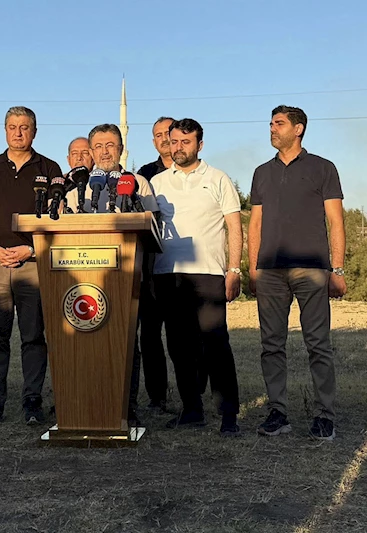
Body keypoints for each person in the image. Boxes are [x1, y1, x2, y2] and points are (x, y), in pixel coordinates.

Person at [248, 105, 346, 441]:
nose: (272, 128)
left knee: (318, 344)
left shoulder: (323, 168)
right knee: (271, 345)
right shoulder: (262, 172)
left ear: (298, 128)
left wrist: (337, 269)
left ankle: (325, 415)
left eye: (279, 123)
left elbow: (336, 222)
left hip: (312, 268)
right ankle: (278, 412)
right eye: (270, 123)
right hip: (270, 270)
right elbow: (255, 224)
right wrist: (253, 268)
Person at [0, 106, 63, 425]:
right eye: (12, 126)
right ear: (5, 130)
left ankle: (32, 401)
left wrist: (29, 249)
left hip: (32, 264)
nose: (18, 132)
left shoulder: (49, 167)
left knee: (33, 335)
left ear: (34, 131)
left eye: (24, 127)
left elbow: (55, 219)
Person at [63, 124, 159, 426]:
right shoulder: (78, 189)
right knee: (85, 344)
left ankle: (125, 407)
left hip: (128, 278)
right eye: (99, 146)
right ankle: (83, 403)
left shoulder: (138, 183)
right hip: (85, 283)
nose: (105, 152)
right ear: (91, 152)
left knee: (126, 343)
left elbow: (152, 227)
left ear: (121, 149)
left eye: (111, 145)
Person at [151, 119, 242, 435]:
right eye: (174, 141)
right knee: (178, 346)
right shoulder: (157, 183)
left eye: (185, 142)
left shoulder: (218, 179)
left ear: (199, 145)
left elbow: (234, 226)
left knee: (215, 344)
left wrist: (234, 269)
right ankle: (192, 410)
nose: (178, 147)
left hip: (208, 274)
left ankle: (228, 415)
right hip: (168, 274)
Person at [136, 116, 175, 412]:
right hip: (150, 266)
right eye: (158, 134)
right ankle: (156, 396)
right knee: (149, 335)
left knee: (183, 334)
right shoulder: (144, 175)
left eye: (168, 133)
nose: (164, 138)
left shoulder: (195, 170)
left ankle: (193, 394)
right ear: (153, 141)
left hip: (183, 263)